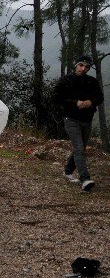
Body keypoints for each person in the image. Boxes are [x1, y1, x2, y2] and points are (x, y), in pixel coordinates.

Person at [53, 54, 104, 192]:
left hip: (86, 120)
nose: (83, 68)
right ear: (76, 65)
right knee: (79, 147)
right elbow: (56, 97)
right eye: (81, 65)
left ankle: (68, 170)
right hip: (70, 118)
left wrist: (90, 102)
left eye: (87, 67)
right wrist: (75, 103)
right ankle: (85, 179)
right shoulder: (65, 81)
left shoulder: (92, 82)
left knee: (79, 148)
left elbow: (100, 97)